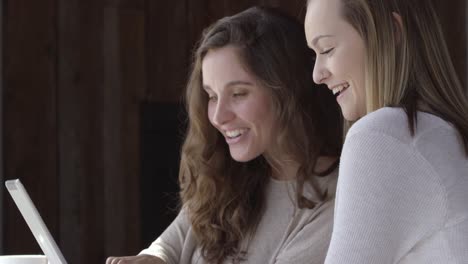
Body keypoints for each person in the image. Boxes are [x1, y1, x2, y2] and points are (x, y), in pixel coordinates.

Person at [106, 6, 343, 264]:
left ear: (288, 92)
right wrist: (150, 259)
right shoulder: (227, 178)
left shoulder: (335, 200)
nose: (219, 117)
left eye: (238, 94)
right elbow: (168, 247)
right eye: (212, 96)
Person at [304, 0, 468, 263]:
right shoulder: (443, 135)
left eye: (327, 49)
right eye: (315, 54)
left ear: (392, 32)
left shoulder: (384, 136)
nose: (316, 75)